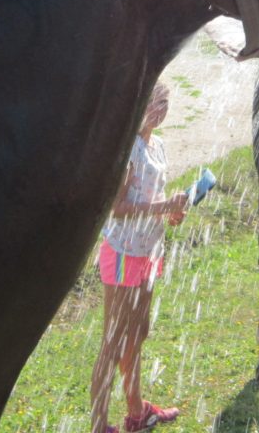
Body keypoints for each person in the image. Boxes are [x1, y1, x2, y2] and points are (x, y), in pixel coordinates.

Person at [90, 83, 189, 433]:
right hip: (122, 254)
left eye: (165, 102)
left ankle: (137, 413)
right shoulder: (128, 149)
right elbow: (115, 209)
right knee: (113, 341)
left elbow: (153, 199)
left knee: (138, 333)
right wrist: (162, 206)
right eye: (154, 101)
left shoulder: (157, 146)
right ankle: (99, 425)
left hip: (148, 252)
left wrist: (172, 212)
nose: (160, 109)